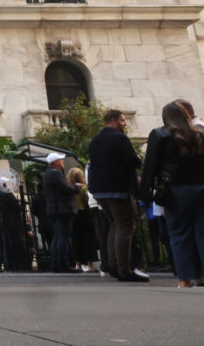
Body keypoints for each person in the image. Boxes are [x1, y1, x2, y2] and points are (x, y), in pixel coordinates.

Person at [140, 101, 204, 288]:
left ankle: (185, 278)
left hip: (176, 190)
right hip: (201, 187)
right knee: (202, 231)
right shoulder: (199, 134)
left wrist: (144, 194)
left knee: (178, 232)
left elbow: (150, 167)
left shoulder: (160, 135)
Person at [88, 109, 146, 283]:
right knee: (125, 226)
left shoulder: (95, 140)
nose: (125, 123)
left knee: (115, 225)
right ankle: (124, 269)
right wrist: (136, 158)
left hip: (100, 190)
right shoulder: (119, 138)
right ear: (113, 120)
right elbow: (133, 161)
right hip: (118, 188)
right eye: (122, 120)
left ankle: (113, 265)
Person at [41, 153, 78, 273]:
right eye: (60, 160)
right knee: (63, 236)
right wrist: (76, 188)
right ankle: (63, 264)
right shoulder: (55, 173)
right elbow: (65, 189)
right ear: (55, 162)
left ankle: (56, 263)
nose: (62, 161)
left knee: (57, 237)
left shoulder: (47, 174)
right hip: (62, 209)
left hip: (54, 209)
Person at [67, 167, 97, 272]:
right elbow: (87, 200)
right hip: (84, 213)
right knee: (88, 239)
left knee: (76, 239)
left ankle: (78, 264)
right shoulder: (84, 187)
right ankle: (89, 265)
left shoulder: (68, 188)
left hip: (73, 215)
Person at [0, 176, 24, 272]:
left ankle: (7, 265)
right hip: (11, 222)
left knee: (5, 244)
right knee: (13, 243)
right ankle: (15, 265)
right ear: (4, 184)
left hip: (3, 222)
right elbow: (17, 207)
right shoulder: (7, 194)